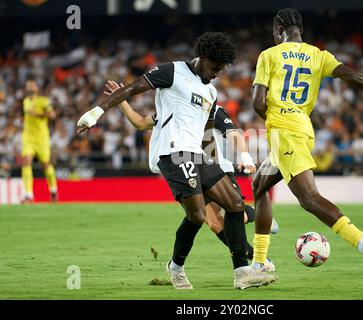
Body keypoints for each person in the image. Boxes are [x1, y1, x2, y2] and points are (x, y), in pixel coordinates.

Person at [77, 32, 276, 290]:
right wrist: (96, 112)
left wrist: (213, 165)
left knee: (235, 203)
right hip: (173, 153)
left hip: (197, 154)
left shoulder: (211, 91)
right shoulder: (173, 72)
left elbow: (205, 131)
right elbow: (132, 88)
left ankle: (242, 272)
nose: (217, 73)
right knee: (197, 217)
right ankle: (176, 266)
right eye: (215, 67)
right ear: (204, 58)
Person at [250, 8, 363, 290]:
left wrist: (278, 120)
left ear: (278, 30)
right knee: (259, 184)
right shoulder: (319, 55)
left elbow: (258, 103)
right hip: (303, 128)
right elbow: (353, 77)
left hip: (284, 132)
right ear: (301, 30)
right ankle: (259, 263)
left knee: (309, 198)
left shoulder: (269, 55)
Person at [103, 79, 276, 272]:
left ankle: (259, 217)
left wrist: (244, 155)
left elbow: (233, 134)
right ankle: (256, 259)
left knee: (237, 214)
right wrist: (121, 100)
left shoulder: (213, 109)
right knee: (213, 222)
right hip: (187, 166)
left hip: (217, 169)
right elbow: (140, 122)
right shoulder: (173, 112)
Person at [21, 77, 58, 203]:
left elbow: (52, 115)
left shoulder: (44, 101)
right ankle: (28, 195)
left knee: (46, 165)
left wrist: (38, 114)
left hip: (42, 138)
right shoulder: (25, 101)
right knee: (26, 162)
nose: (29, 88)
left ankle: (53, 190)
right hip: (28, 137)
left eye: (32, 85)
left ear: (36, 88)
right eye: (28, 86)